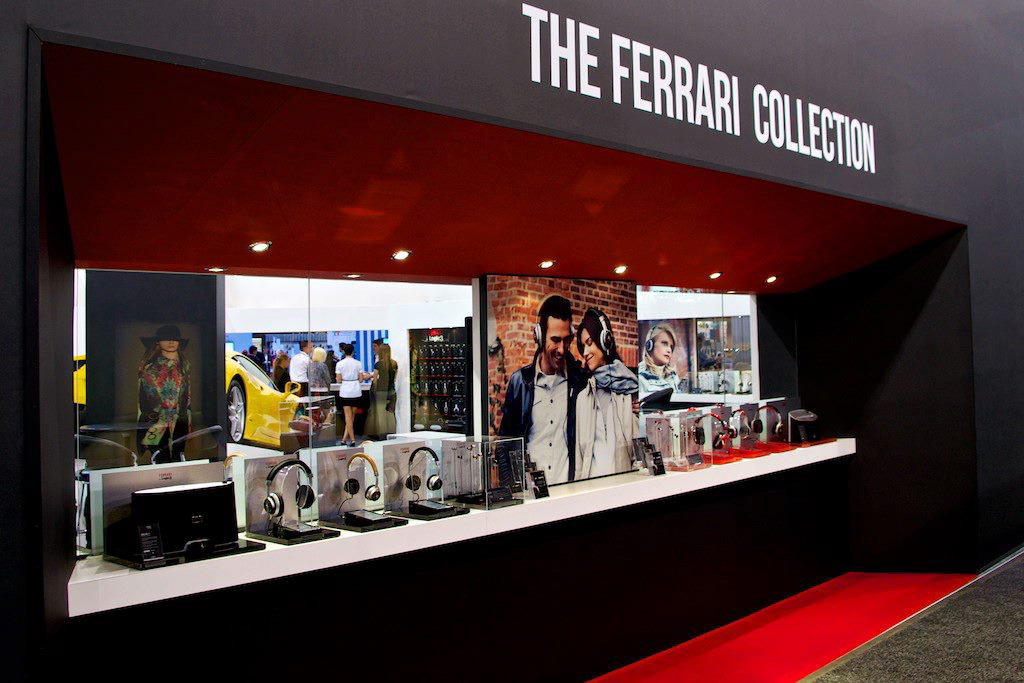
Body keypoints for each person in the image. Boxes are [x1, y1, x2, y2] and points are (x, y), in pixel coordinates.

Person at [498, 295, 585, 484]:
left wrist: (630, 403)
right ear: (539, 336)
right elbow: (504, 445)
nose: (562, 349)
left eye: (566, 340)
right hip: (530, 493)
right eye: (555, 340)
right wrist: (512, 490)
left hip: (569, 491)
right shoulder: (520, 382)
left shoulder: (579, 381)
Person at [574, 308, 642, 480]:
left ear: (605, 340)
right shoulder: (582, 399)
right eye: (583, 346)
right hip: (592, 489)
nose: (585, 352)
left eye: (590, 343)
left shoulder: (630, 391)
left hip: (624, 487)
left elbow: (640, 453)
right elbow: (579, 461)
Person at [137, 324, 192, 464]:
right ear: (158, 342)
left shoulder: (184, 367)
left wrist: (186, 418)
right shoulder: (149, 369)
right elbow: (143, 400)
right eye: (166, 338)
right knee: (160, 458)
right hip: (156, 421)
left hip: (180, 421)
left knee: (179, 457)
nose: (171, 342)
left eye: (175, 339)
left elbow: (187, 398)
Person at [364, 342, 398, 438]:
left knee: (381, 415)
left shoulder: (378, 364)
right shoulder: (394, 364)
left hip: (381, 392)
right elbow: (394, 379)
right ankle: (392, 434)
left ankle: (382, 435)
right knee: (391, 414)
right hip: (392, 392)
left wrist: (374, 391)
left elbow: (375, 380)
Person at [638, 324, 680, 396]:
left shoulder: (673, 377)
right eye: (664, 343)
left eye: (671, 346)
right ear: (650, 345)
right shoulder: (640, 377)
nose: (669, 350)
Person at [335, 342, 362, 446]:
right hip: (356, 391)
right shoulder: (358, 363)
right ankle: (348, 439)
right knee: (352, 417)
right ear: (353, 351)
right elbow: (360, 379)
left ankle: (349, 439)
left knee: (348, 417)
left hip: (345, 391)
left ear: (343, 351)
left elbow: (338, 380)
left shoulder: (339, 364)